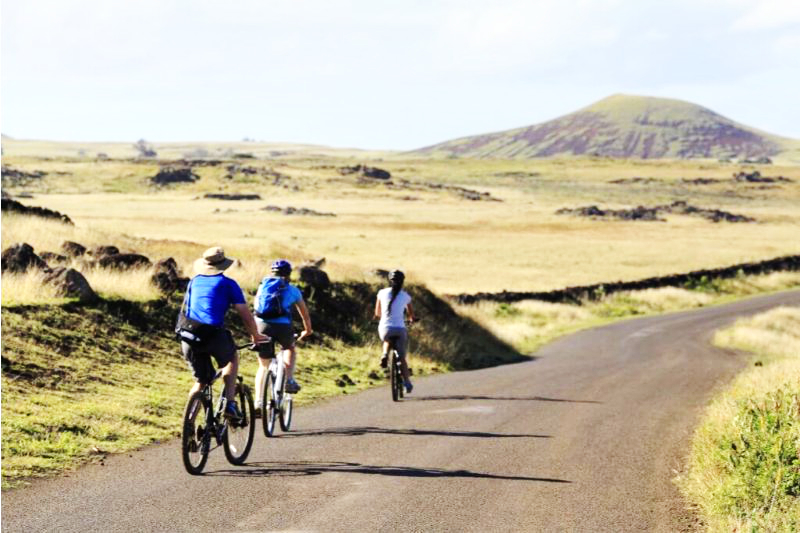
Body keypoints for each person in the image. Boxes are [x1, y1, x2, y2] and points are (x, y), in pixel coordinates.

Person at [181, 247, 268, 419]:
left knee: (201, 381)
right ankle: (230, 404)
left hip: (188, 334)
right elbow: (245, 314)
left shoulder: (193, 281)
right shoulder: (228, 284)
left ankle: (188, 424)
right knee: (232, 358)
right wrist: (255, 335)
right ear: (223, 265)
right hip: (212, 332)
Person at [253, 259, 313, 412]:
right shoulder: (292, 290)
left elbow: (256, 309)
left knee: (263, 366)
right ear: (289, 274)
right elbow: (304, 315)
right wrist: (307, 330)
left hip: (261, 326)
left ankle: (259, 402)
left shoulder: (262, 287)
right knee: (289, 348)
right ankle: (289, 380)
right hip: (283, 326)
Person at [374, 269, 416, 393]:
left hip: (385, 328)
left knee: (387, 339)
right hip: (400, 329)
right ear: (402, 282)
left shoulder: (381, 293)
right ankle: (407, 383)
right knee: (402, 357)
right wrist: (411, 320)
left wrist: (383, 317)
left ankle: (385, 354)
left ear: (389, 280)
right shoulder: (406, 296)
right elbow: (411, 315)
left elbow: (377, 313)